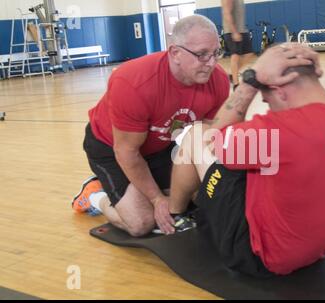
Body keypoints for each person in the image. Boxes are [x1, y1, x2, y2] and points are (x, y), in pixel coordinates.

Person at [167, 43, 325, 277]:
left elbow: (212, 138)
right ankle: (197, 200)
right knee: (251, 159)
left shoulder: (278, 134)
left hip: (261, 257)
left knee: (197, 135)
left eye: (267, 100)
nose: (268, 106)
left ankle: (175, 217)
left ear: (280, 90)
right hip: (321, 247)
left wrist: (250, 81)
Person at [71, 15, 230, 237]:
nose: (212, 63)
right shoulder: (133, 83)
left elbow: (209, 138)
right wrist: (156, 199)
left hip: (158, 146)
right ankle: (95, 195)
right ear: (175, 53)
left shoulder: (218, 80)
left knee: (191, 199)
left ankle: (141, 191)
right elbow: (126, 152)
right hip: (112, 148)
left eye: (216, 53)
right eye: (202, 54)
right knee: (141, 223)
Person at [221, 0, 255, 90]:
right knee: (235, 55)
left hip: (242, 30)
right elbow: (227, 13)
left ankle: (233, 74)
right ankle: (236, 85)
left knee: (249, 54)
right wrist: (234, 31)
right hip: (232, 31)